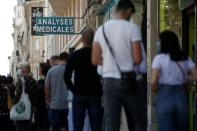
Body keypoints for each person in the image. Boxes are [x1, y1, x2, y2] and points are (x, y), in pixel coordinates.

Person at [92, 0, 146, 131]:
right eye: (131, 14)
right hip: (129, 80)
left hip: (109, 82)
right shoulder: (132, 28)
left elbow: (95, 60)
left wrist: (109, 63)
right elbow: (138, 58)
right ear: (128, 11)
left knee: (112, 123)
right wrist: (126, 62)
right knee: (139, 120)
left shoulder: (101, 30)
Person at [151, 30, 197, 131]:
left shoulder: (159, 59)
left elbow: (153, 81)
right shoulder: (185, 57)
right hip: (181, 96)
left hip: (164, 96)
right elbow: (195, 75)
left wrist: (155, 92)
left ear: (163, 43)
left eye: (159, 41)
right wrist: (185, 79)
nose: (158, 43)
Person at [64, 29, 103, 131]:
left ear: (82, 40)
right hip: (95, 94)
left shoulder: (75, 55)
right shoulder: (98, 55)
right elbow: (105, 73)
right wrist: (101, 90)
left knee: (78, 125)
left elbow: (66, 76)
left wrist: (74, 90)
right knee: (96, 125)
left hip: (79, 95)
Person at [45, 52, 69, 131]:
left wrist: (48, 101)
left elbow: (47, 88)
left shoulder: (51, 71)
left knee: (55, 128)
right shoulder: (71, 69)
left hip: (54, 105)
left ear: (59, 59)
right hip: (68, 105)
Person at [13, 62, 37, 131]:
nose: (18, 70)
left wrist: (14, 105)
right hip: (30, 108)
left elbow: (17, 96)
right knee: (28, 127)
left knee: (20, 127)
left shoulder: (20, 81)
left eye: (19, 69)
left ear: (23, 70)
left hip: (21, 108)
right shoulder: (34, 81)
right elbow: (35, 95)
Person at [35, 63, 51, 131]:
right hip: (47, 106)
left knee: (41, 126)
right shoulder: (49, 81)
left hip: (41, 107)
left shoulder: (40, 83)